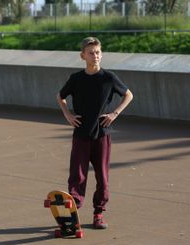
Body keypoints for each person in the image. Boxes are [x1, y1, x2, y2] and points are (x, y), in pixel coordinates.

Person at [56, 37, 133, 229]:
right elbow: (60, 96)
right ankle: (72, 211)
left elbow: (128, 94)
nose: (95, 56)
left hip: (101, 134)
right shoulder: (76, 79)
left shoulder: (109, 78)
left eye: (98, 52)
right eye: (91, 53)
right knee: (77, 175)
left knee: (102, 178)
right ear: (83, 56)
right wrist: (68, 115)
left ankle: (98, 213)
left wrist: (115, 113)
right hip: (81, 133)